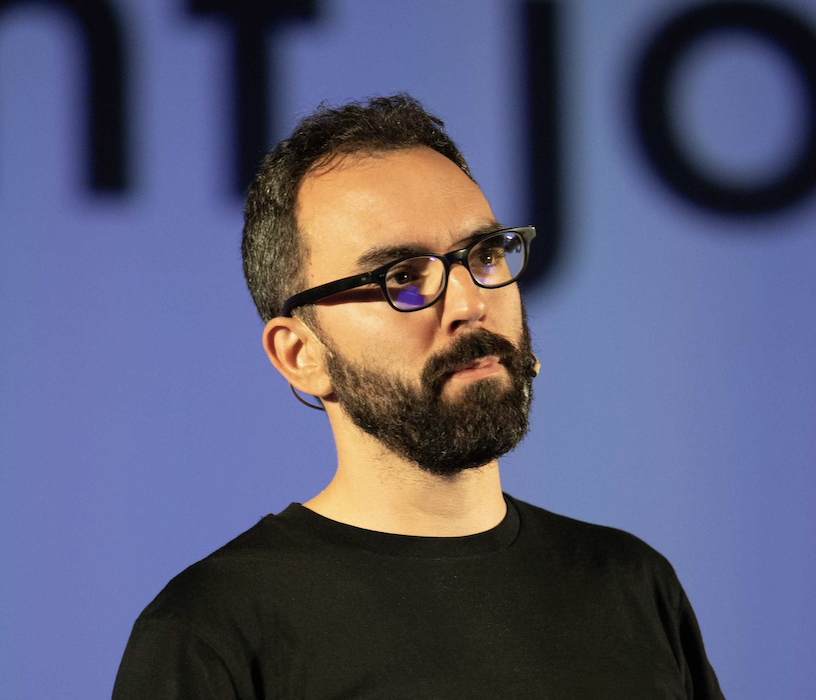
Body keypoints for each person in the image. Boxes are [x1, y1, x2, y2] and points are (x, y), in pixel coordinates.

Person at [113, 94, 725, 699]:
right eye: (403, 277)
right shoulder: (211, 631)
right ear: (301, 355)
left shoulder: (631, 583)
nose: (470, 303)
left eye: (485, 255)